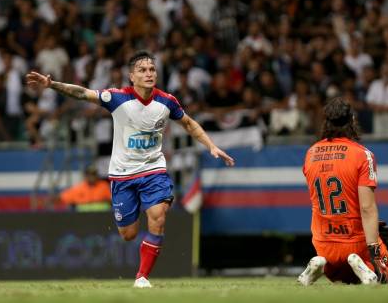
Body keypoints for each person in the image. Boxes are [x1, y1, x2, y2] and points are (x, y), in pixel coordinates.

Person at [26, 50, 235, 288]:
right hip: (122, 176)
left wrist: (211, 146)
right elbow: (83, 93)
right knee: (128, 234)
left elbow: (188, 123)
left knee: (158, 218)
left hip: (154, 171)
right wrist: (52, 85)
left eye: (152, 70)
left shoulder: (166, 101)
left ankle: (142, 277)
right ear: (131, 77)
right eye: (142, 70)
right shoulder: (118, 98)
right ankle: (138, 258)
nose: (149, 74)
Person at [297, 97, 388, 286]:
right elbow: (367, 208)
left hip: (322, 242)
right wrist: (374, 246)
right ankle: (368, 269)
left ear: (325, 122)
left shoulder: (311, 153)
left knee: (337, 274)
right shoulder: (362, 155)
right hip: (354, 241)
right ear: (352, 120)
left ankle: (322, 267)